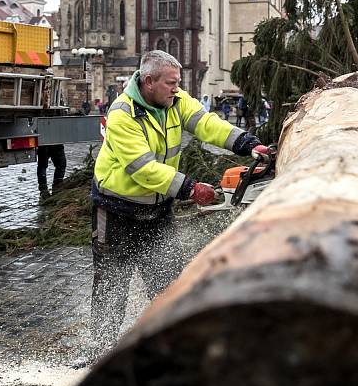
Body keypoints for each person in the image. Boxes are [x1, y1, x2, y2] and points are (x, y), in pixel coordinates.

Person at [90, 50, 267, 345]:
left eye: (178, 82)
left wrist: (247, 144)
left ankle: (172, 347)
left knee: (170, 284)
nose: (177, 88)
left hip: (158, 211)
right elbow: (143, 169)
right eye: (171, 83)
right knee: (112, 288)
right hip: (117, 211)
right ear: (148, 82)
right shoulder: (123, 114)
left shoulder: (176, 101)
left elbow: (208, 124)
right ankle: (99, 354)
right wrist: (190, 188)